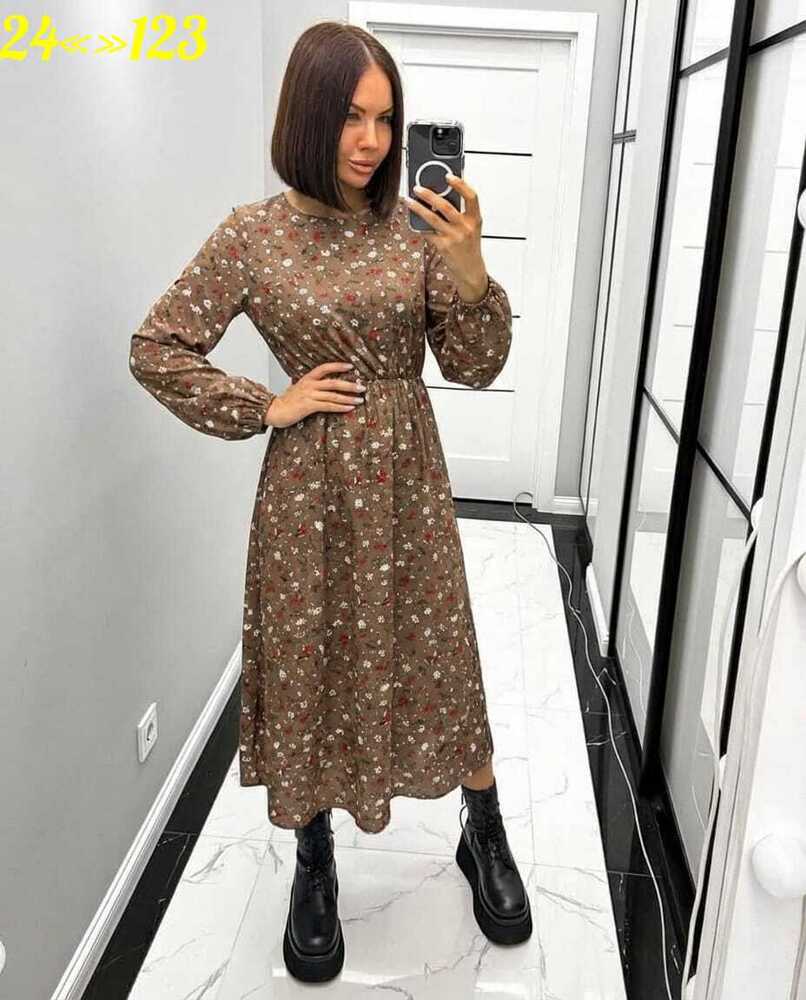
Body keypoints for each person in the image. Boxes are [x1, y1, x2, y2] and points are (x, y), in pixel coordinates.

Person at [128, 19, 530, 983]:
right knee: (312, 660)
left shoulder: (417, 229)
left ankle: (483, 825)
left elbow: (476, 366)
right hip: (306, 494)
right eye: (352, 117)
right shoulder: (252, 235)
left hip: (409, 485)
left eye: (386, 120)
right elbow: (157, 347)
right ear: (308, 114)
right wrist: (265, 404)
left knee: (440, 650)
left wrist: (472, 271)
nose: (373, 142)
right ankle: (314, 855)